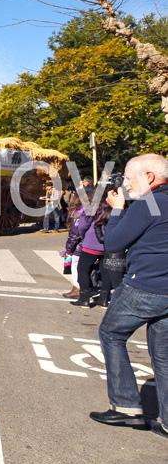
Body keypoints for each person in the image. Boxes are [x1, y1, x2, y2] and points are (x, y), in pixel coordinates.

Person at [90, 154, 168, 439]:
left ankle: (126, 407)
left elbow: (112, 243)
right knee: (164, 357)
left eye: (128, 176)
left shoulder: (149, 203)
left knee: (111, 335)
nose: (125, 183)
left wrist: (119, 209)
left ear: (148, 177)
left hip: (145, 286)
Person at [70, 200, 104, 308]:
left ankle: (84, 299)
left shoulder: (95, 205)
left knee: (82, 269)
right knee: (105, 271)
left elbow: (83, 225)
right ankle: (104, 299)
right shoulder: (120, 204)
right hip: (110, 242)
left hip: (93, 242)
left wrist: (85, 237)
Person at [93, 204, 124, 308]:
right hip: (120, 256)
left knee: (116, 283)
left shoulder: (111, 228)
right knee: (109, 278)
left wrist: (97, 227)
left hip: (112, 257)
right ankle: (103, 299)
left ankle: (116, 303)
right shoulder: (122, 225)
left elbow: (102, 239)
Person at [60, 193, 85, 299]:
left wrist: (69, 250)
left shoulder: (77, 213)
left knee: (75, 264)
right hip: (91, 243)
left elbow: (74, 233)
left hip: (81, 245)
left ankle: (77, 288)